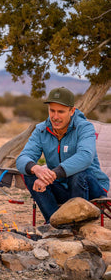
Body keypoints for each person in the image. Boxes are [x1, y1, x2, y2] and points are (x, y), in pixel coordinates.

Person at [16, 87, 109, 224]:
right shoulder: (41, 130)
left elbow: (85, 157)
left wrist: (53, 174)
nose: (55, 117)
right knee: (29, 174)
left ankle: (78, 223)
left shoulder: (85, 127)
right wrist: (37, 169)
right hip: (62, 187)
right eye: (52, 111)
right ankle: (56, 223)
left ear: (72, 111)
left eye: (61, 112)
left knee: (77, 174)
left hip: (90, 186)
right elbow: (22, 158)